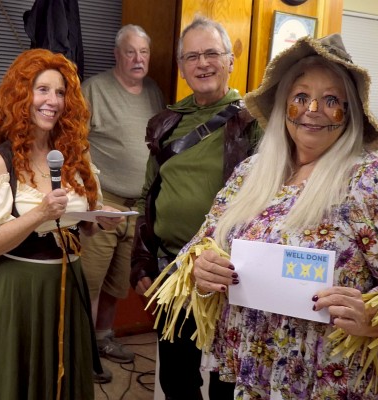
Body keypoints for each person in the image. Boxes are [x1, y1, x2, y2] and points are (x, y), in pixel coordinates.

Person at [148, 34, 378, 399]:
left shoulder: (370, 182)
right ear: (284, 106)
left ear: (349, 112)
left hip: (327, 383)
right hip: (244, 378)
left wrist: (374, 317)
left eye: (331, 100)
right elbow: (199, 248)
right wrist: (201, 268)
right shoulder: (251, 172)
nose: (313, 109)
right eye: (301, 97)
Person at [0, 48, 122, 399]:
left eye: (60, 92)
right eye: (43, 90)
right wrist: (39, 213)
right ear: (22, 96)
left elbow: (81, 226)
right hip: (19, 290)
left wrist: (98, 220)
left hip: (69, 284)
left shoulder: (75, 155)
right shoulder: (0, 161)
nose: (53, 101)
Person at [130, 16, 262, 400]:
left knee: (226, 384)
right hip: (172, 269)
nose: (202, 63)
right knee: (176, 380)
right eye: (192, 56)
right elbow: (147, 195)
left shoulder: (255, 121)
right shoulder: (165, 123)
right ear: (181, 67)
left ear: (230, 60)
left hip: (229, 276)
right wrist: (141, 259)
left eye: (211, 53)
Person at [80, 24, 164, 364]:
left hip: (139, 208)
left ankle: (103, 339)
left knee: (117, 284)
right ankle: (82, 352)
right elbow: (74, 146)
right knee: (90, 283)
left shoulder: (154, 91)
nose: (138, 59)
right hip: (104, 206)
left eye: (144, 52)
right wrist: (94, 201)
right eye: (130, 52)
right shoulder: (94, 90)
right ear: (117, 55)